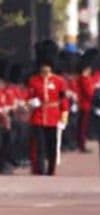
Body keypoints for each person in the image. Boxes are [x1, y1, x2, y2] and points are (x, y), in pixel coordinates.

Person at [27, 41, 68, 176]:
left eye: (47, 66)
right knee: (40, 146)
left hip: (53, 116)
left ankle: (51, 170)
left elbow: (63, 99)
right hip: (38, 117)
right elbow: (28, 97)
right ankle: (40, 169)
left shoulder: (59, 81)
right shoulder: (34, 80)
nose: (45, 69)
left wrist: (63, 116)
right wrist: (32, 102)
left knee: (52, 147)